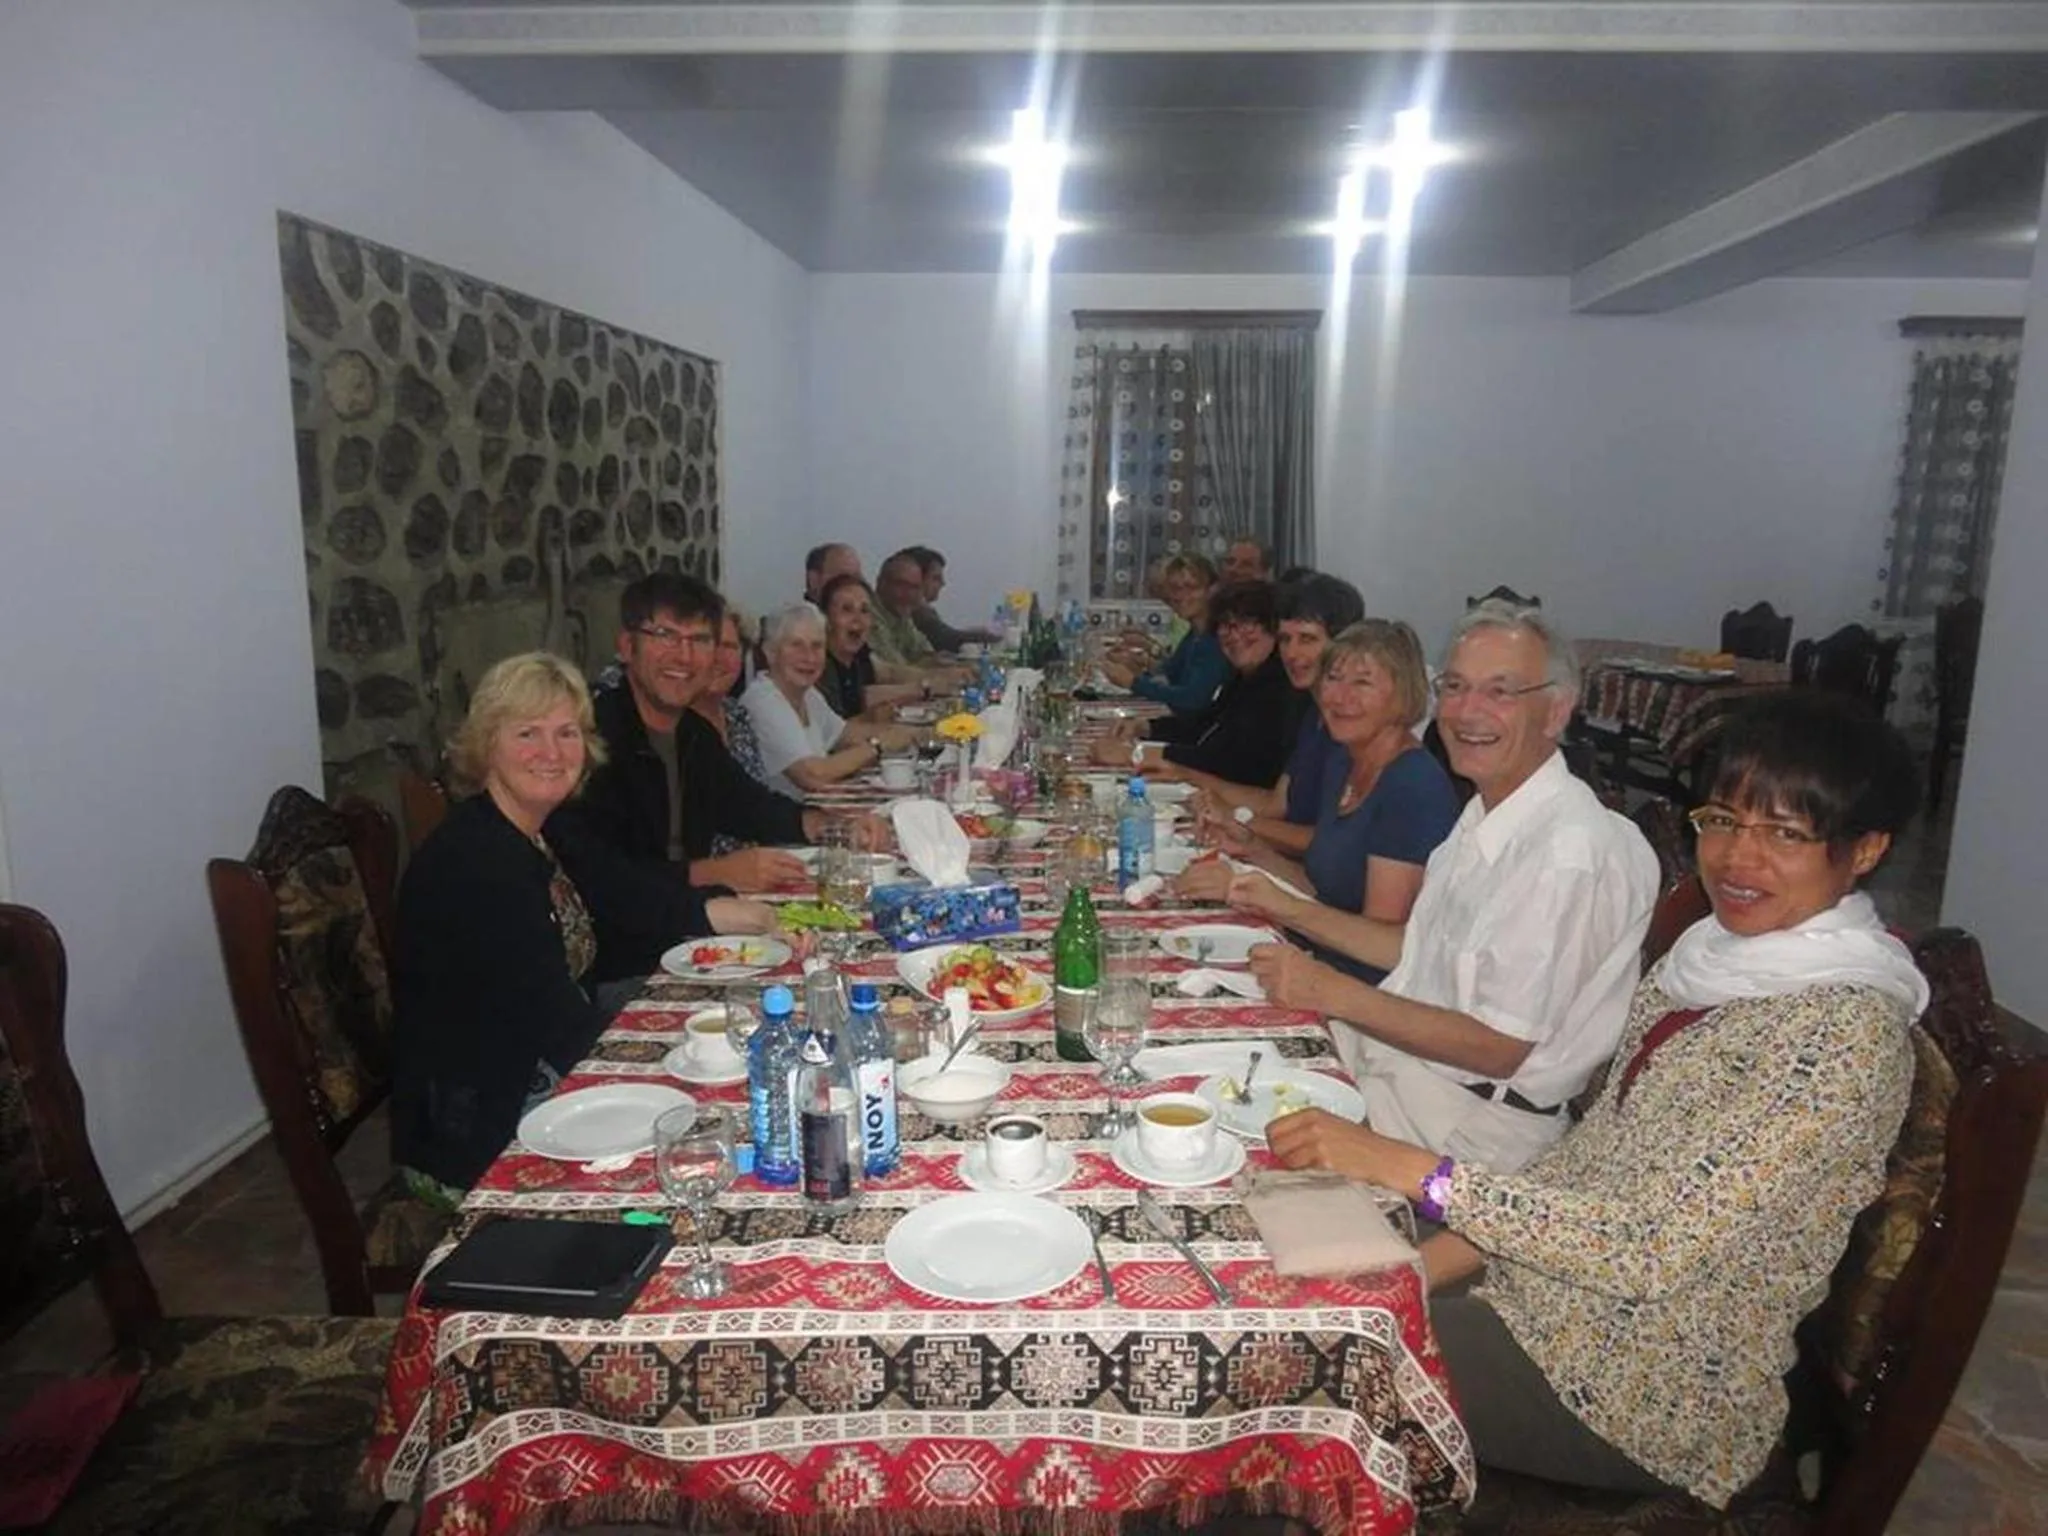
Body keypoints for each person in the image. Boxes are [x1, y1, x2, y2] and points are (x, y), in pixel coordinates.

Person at [1270, 690, 1924, 1510]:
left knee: (1287, 1358)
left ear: (1864, 850)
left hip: (1641, 1392)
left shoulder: (1839, 1037)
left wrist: (1412, 1173)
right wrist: (1421, 1266)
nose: (1737, 859)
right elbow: (1590, 1160)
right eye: (1722, 819)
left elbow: (1647, 1247)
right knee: (1270, 1255)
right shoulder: (1712, 962)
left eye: (1785, 834)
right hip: (1541, 1295)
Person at [1249, 599, 1658, 1172]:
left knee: (1236, 1159)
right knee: (1216, 1064)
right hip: (1403, 1071)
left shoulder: (1566, 854)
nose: (1468, 712)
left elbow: (1496, 1047)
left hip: (1468, 1130)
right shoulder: (1489, 814)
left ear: (1557, 709)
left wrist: (1328, 991)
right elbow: (1417, 946)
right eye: (1457, 687)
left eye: (1500, 692)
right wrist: (1282, 906)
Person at [391, 653, 777, 1195]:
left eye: (566, 733)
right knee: (713, 1125)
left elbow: (621, 889)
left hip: (528, 1067)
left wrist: (716, 911)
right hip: (479, 1126)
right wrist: (673, 1065)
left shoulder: (535, 830)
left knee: (726, 1046)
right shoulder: (477, 864)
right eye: (527, 733)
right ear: (486, 745)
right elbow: (555, 1020)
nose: (551, 753)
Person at [1182, 619, 1460, 983]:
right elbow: (1320, 890)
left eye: (1362, 682)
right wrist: (1252, 849)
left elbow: (1377, 951)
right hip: (1318, 960)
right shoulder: (1345, 760)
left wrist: (1275, 904)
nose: (1339, 696)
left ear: (1404, 695)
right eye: (1333, 678)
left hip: (1365, 995)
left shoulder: (1412, 786)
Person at [571, 574, 866, 899]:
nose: (683, 656)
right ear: (627, 647)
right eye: (665, 635)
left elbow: (751, 806)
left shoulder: (693, 735)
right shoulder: (592, 738)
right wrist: (713, 873)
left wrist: (832, 827)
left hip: (687, 920)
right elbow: (601, 875)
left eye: (699, 640)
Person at [1173, 573, 1364, 858]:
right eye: (1285, 639)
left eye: (1307, 639)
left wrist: (1238, 819)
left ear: (1344, 644)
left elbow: (1329, 842)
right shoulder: (1313, 713)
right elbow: (1277, 804)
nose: (1292, 653)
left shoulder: (1353, 727)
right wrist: (1205, 795)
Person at [1094, 580, 1297, 787]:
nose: (1234, 634)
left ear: (1273, 629)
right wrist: (1144, 727)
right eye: (1225, 625)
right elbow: (1204, 727)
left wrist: (1137, 754)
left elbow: (1229, 762)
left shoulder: (1278, 687)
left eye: (1247, 623)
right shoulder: (1243, 678)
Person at [743, 602, 921, 796]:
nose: (809, 657)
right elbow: (812, 775)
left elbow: (845, 735)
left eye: (817, 646)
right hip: (786, 821)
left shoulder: (808, 694)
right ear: (770, 652)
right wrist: (878, 745)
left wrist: (917, 732)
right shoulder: (763, 702)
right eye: (796, 645)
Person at [1102, 553, 1226, 715]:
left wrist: (1133, 682)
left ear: (1211, 590)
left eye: (1191, 587)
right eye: (1175, 589)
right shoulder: (1194, 634)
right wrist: (1137, 667)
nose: (1181, 596)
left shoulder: (1216, 638)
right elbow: (1170, 672)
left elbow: (1193, 699)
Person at [816, 572, 932, 721]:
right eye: (847, 609)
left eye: (864, 611)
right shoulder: (818, 664)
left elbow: (889, 672)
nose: (857, 620)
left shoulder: (859, 655)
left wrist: (939, 681)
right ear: (826, 618)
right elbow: (836, 734)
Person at [904, 546, 1000, 652]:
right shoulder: (918, 611)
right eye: (936, 578)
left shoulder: (921, 611)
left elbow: (945, 634)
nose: (942, 583)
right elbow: (947, 640)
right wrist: (989, 635)